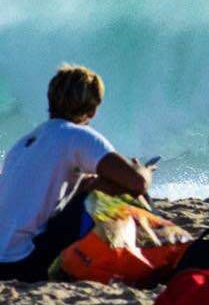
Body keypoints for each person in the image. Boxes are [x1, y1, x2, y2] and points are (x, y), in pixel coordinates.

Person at [0, 66, 153, 283]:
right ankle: (146, 258)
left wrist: (88, 186)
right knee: (116, 193)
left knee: (95, 187)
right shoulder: (78, 136)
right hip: (24, 262)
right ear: (92, 110)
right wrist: (144, 171)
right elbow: (137, 183)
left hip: (4, 260)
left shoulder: (26, 142)